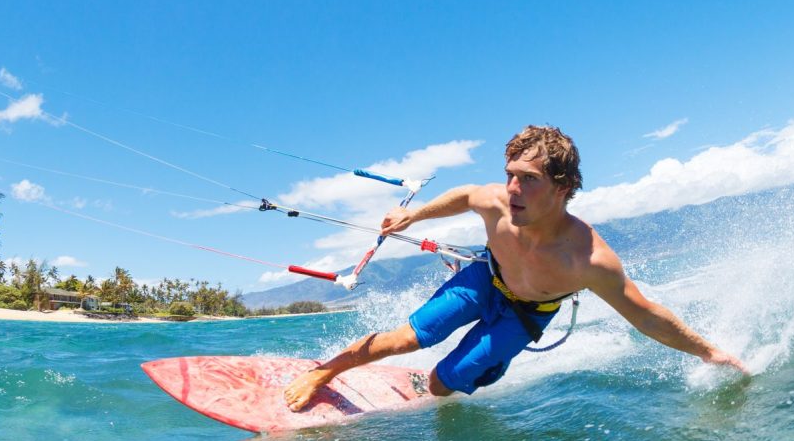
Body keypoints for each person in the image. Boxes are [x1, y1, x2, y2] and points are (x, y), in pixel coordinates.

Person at [284, 125, 748, 411]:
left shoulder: (588, 259)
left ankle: (483, 365)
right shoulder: (498, 205)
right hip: (486, 280)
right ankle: (322, 373)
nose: (511, 188)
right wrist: (415, 214)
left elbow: (645, 314)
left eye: (528, 179)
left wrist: (710, 353)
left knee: (442, 383)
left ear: (563, 188)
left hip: (529, 312)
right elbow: (466, 194)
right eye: (510, 174)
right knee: (403, 339)